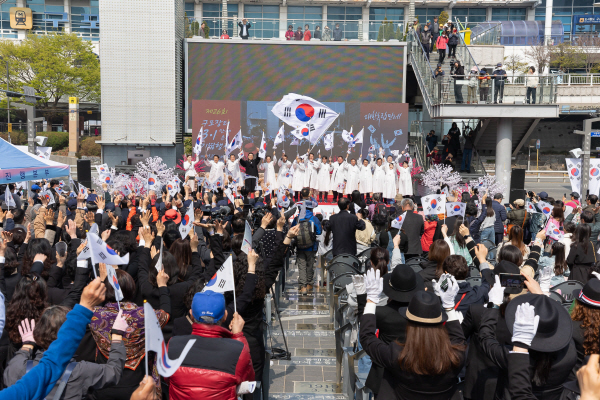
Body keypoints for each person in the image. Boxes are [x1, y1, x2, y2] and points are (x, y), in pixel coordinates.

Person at [359, 269, 467, 399]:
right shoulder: (455, 357)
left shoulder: (396, 355)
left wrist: (371, 300)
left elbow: (367, 337)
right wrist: (449, 306)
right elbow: (459, 339)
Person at [4, 305, 127, 398]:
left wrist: (27, 345)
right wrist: (117, 336)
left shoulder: (19, 367)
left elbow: (10, 374)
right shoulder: (81, 370)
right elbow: (113, 372)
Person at [166, 292, 254, 399]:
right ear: (225, 316)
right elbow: (247, 380)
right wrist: (238, 336)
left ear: (191, 314)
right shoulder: (237, 350)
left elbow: (167, 379)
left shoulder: (172, 345)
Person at [291, 188, 322, 294]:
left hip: (299, 246)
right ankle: (309, 284)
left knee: (302, 266)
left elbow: (292, 231)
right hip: (311, 246)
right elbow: (319, 232)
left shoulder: (297, 219)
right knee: (310, 265)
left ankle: (303, 286)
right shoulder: (314, 219)